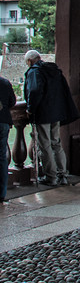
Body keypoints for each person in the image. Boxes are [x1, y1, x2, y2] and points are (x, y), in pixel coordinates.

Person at [23, 50, 79, 186]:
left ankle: (51, 177)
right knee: (56, 143)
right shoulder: (53, 70)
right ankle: (63, 175)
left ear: (30, 61)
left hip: (43, 114)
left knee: (45, 145)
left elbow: (34, 91)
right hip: (57, 113)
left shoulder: (34, 72)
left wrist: (30, 109)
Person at [1, 73, 16, 203]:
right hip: (3, 122)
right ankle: (2, 193)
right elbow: (12, 102)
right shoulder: (5, 82)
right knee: (2, 158)